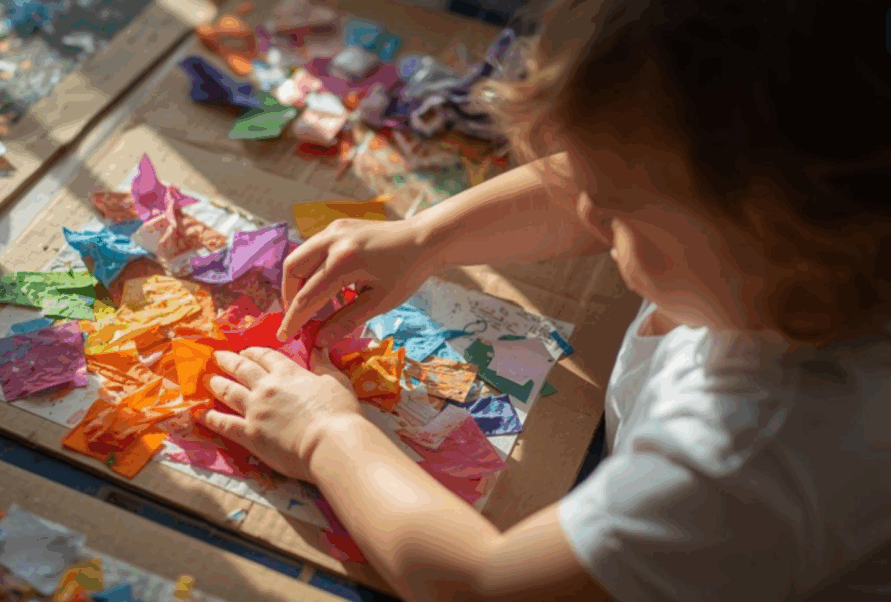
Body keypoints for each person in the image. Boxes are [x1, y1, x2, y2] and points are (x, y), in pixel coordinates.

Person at [200, 1, 891, 600]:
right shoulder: (800, 234)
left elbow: (481, 587)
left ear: (765, 229)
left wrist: (326, 435)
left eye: (614, 211)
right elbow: (589, 185)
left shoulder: (740, 460)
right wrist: (427, 237)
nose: (585, 213)